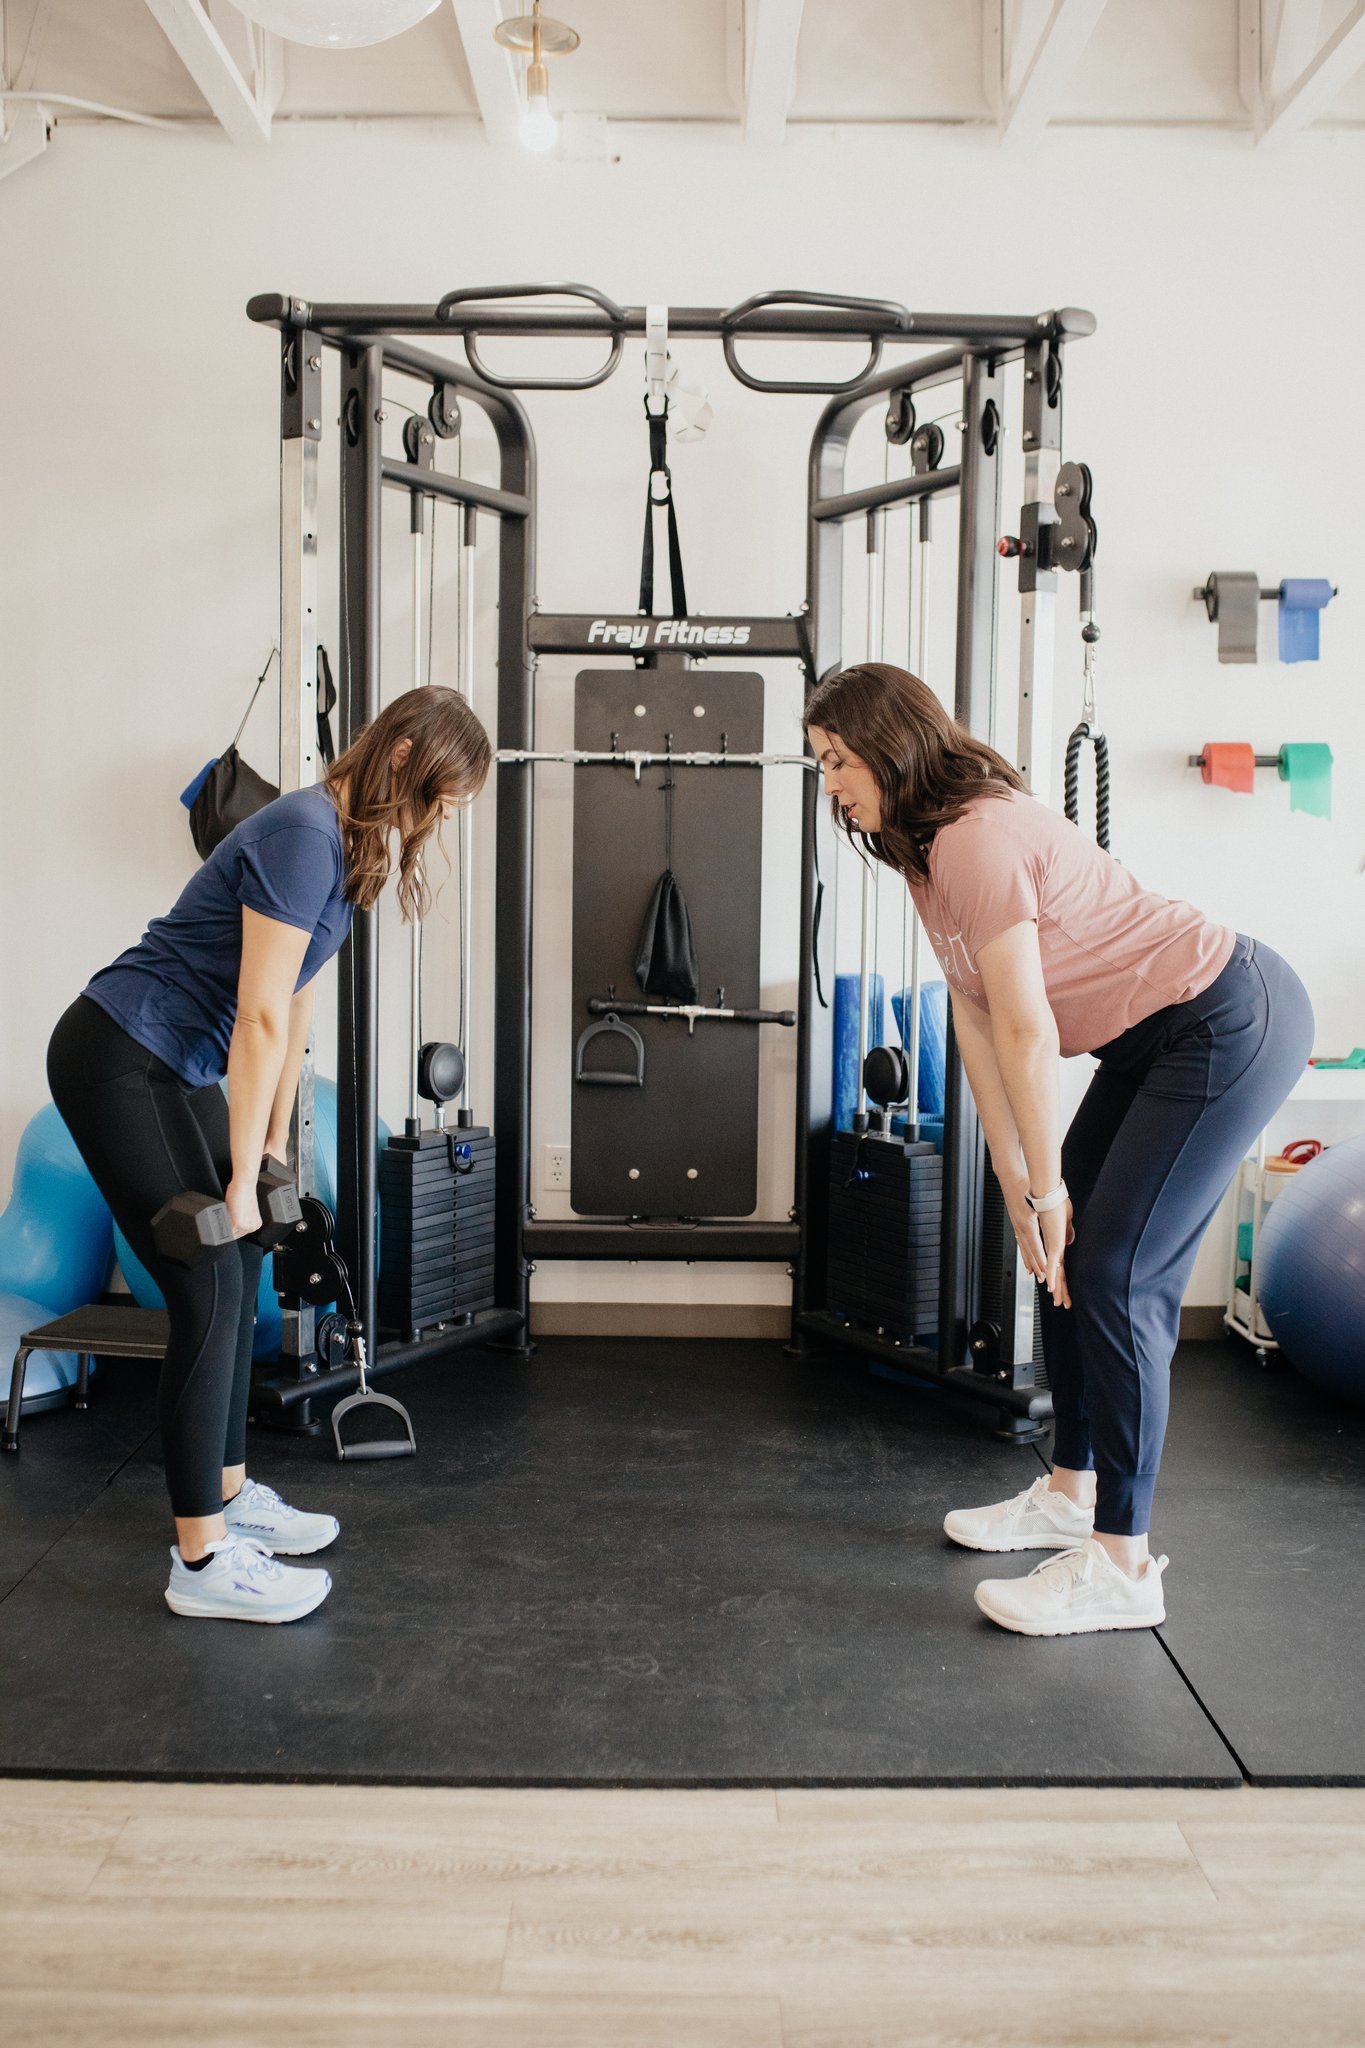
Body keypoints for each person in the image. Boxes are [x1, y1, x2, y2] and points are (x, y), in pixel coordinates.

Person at [804, 663, 1313, 1638]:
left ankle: (1124, 1561)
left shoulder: (976, 836)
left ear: (889, 742)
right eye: (821, 762)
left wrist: (1048, 1186)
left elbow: (1033, 1030)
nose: (829, 782)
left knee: (1117, 1270)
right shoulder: (919, 851)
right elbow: (976, 1012)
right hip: (1155, 1035)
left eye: (837, 759)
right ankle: (1070, 1490)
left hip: (1224, 1015)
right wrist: (1018, 1180)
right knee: (1065, 1250)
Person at [47, 687, 491, 1624]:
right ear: (403, 755)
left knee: (239, 1259)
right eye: (438, 799)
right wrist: (240, 1177)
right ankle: (200, 1563)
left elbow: (292, 1013)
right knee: (206, 1277)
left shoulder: (346, 850)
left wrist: (277, 1148)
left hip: (174, 1064)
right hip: (121, 1055)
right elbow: (251, 1016)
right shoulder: (301, 834)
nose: (437, 822)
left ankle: (231, 1491)